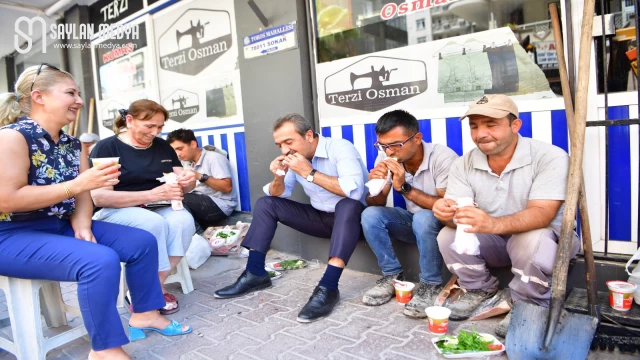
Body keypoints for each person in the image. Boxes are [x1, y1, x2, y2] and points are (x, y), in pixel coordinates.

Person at [0, 64, 190, 360]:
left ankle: (145, 313)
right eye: (70, 93)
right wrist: (76, 185)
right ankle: (105, 349)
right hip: (12, 235)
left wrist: (82, 223)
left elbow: (85, 194)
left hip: (59, 224)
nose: (78, 99)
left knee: (141, 241)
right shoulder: (12, 138)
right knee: (100, 260)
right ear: (39, 96)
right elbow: (7, 200)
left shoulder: (72, 144)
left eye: (78, 92)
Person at [432, 94, 578, 337]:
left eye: (491, 125)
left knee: (530, 238)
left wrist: (491, 223)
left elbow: (542, 214)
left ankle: (528, 302)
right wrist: (444, 213)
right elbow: (457, 217)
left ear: (515, 125)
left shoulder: (549, 157)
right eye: (474, 126)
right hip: (497, 242)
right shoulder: (464, 164)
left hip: (547, 243)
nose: (481, 134)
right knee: (447, 235)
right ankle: (479, 289)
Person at [213, 113, 368, 322]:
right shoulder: (295, 159)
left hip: (353, 221)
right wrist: (279, 177)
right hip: (320, 218)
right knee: (266, 203)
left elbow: (355, 192)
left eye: (289, 142)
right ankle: (255, 273)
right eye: (280, 145)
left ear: (309, 135)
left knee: (348, 204)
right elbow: (279, 194)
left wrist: (309, 172)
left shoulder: (341, 148)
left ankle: (329, 287)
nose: (285, 150)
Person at [90, 100, 197, 315]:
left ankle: (151, 287)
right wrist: (151, 194)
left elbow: (185, 185)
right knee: (153, 223)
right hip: (117, 211)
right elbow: (100, 198)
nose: (155, 132)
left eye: (160, 127)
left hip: (158, 205)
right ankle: (150, 291)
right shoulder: (108, 147)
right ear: (129, 121)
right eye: (149, 126)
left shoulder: (162, 146)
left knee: (184, 220)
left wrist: (189, 179)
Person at [361, 110, 458, 317]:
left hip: (444, 225)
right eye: (383, 145)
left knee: (424, 217)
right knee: (370, 214)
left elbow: (448, 206)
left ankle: (430, 284)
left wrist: (404, 187)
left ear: (417, 139)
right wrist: (375, 185)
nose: (388, 152)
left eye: (395, 145)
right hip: (413, 223)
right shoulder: (385, 155)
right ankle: (391, 275)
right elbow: (375, 202)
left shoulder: (442, 157)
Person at [167, 128, 238, 229]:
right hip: (198, 201)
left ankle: (198, 233)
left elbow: (227, 187)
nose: (177, 154)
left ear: (193, 144)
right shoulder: (185, 162)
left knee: (182, 199)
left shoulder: (214, 158)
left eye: (180, 148)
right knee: (171, 198)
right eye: (174, 150)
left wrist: (199, 176)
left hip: (221, 204)